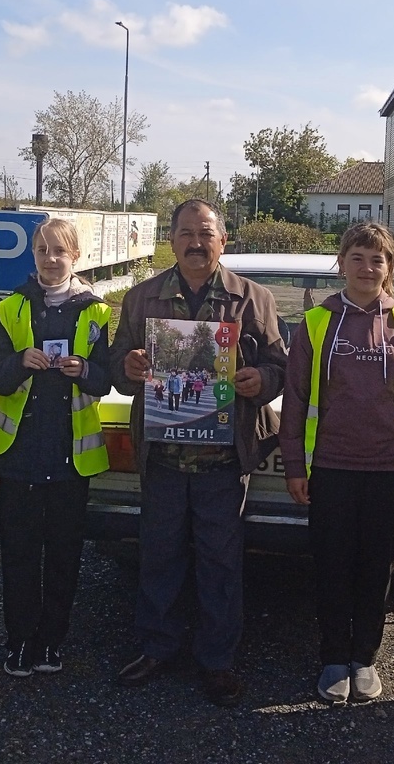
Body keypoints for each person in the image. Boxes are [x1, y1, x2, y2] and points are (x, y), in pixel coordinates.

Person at [110, 199, 287, 707]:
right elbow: (118, 368)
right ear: (171, 240)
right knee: (159, 556)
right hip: (163, 456)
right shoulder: (142, 298)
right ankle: (157, 648)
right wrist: (132, 365)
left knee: (220, 562)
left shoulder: (252, 299)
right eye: (186, 233)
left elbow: (280, 366)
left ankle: (218, 660)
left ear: (222, 240)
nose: (195, 242)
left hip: (224, 461)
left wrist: (260, 380)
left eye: (205, 233)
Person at [279, 222, 394, 705]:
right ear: (342, 262)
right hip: (330, 467)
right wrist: (294, 467)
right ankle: (332, 658)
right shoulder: (316, 323)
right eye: (358, 258)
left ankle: (364, 658)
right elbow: (297, 397)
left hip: (391, 471)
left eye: (378, 260)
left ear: (389, 268)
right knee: (331, 566)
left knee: (376, 568)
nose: (367, 268)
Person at [0, 218, 112, 677]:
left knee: (63, 555)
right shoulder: (12, 307)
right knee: (18, 555)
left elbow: (106, 379)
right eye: (42, 250)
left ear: (76, 256)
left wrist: (83, 370)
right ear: (33, 255)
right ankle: (18, 642)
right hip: (18, 455)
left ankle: (51, 643)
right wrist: (20, 362)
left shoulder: (95, 310)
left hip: (70, 455)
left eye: (60, 251)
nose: (50, 258)